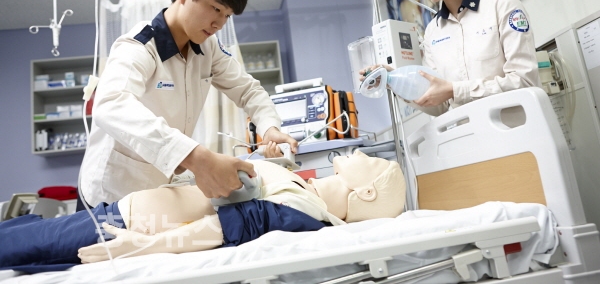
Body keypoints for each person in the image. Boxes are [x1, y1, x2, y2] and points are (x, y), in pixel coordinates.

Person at [79, 0, 298, 208]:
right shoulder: (139, 45)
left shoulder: (208, 47)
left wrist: (270, 128)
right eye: (216, 8)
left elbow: (248, 90)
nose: (219, 23)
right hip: (108, 194)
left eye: (227, 15)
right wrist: (196, 157)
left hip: (156, 190)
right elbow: (111, 105)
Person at [0, 150, 405, 268]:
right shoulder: (302, 188)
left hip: (120, 229)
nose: (361, 153)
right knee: (14, 235)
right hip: (120, 211)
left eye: (372, 162)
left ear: (368, 192)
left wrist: (141, 246)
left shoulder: (305, 212)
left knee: (13, 247)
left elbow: (224, 228)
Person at [361, 0, 541, 116]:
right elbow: (440, 106)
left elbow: (524, 80)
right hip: (467, 132)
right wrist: (392, 80)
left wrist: (455, 90)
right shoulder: (433, 31)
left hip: (515, 129)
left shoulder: (501, 4)